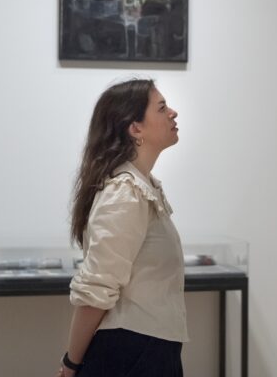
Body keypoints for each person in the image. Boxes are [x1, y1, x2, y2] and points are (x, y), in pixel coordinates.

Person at [56, 78, 187, 377]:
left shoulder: (141, 187)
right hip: (130, 355)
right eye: (162, 108)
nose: (173, 113)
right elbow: (96, 290)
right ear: (135, 128)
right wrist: (71, 364)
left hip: (150, 351)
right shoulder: (125, 193)